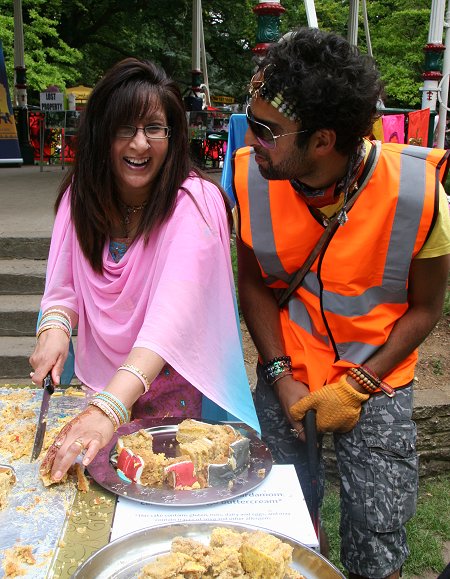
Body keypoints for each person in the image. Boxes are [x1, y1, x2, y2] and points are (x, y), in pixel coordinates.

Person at [233, 27, 450, 579]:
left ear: (323, 141)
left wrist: (359, 385)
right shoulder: (250, 178)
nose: (252, 138)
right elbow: (254, 282)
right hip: (289, 373)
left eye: (267, 130)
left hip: (377, 381)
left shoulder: (419, 192)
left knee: (377, 547)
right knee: (276, 533)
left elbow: (426, 309)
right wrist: (281, 374)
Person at [30, 57, 259, 483]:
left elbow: (169, 324)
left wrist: (109, 409)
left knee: (166, 490)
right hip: (98, 383)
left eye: (154, 128)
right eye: (125, 128)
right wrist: (54, 331)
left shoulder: (196, 204)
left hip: (176, 383)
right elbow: (61, 290)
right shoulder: (81, 194)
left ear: (172, 137)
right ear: (102, 133)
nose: (140, 145)